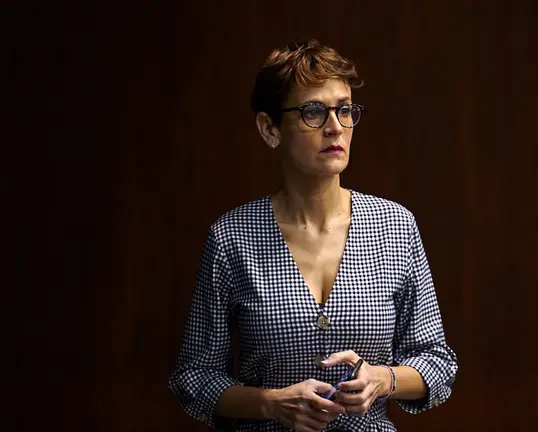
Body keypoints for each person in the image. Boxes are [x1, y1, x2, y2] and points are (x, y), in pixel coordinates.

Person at [168, 39, 458, 432]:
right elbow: (194, 378)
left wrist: (382, 380)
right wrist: (271, 403)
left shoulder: (396, 226)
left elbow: (437, 362)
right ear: (270, 128)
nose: (335, 126)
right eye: (313, 112)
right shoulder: (232, 238)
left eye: (345, 110)